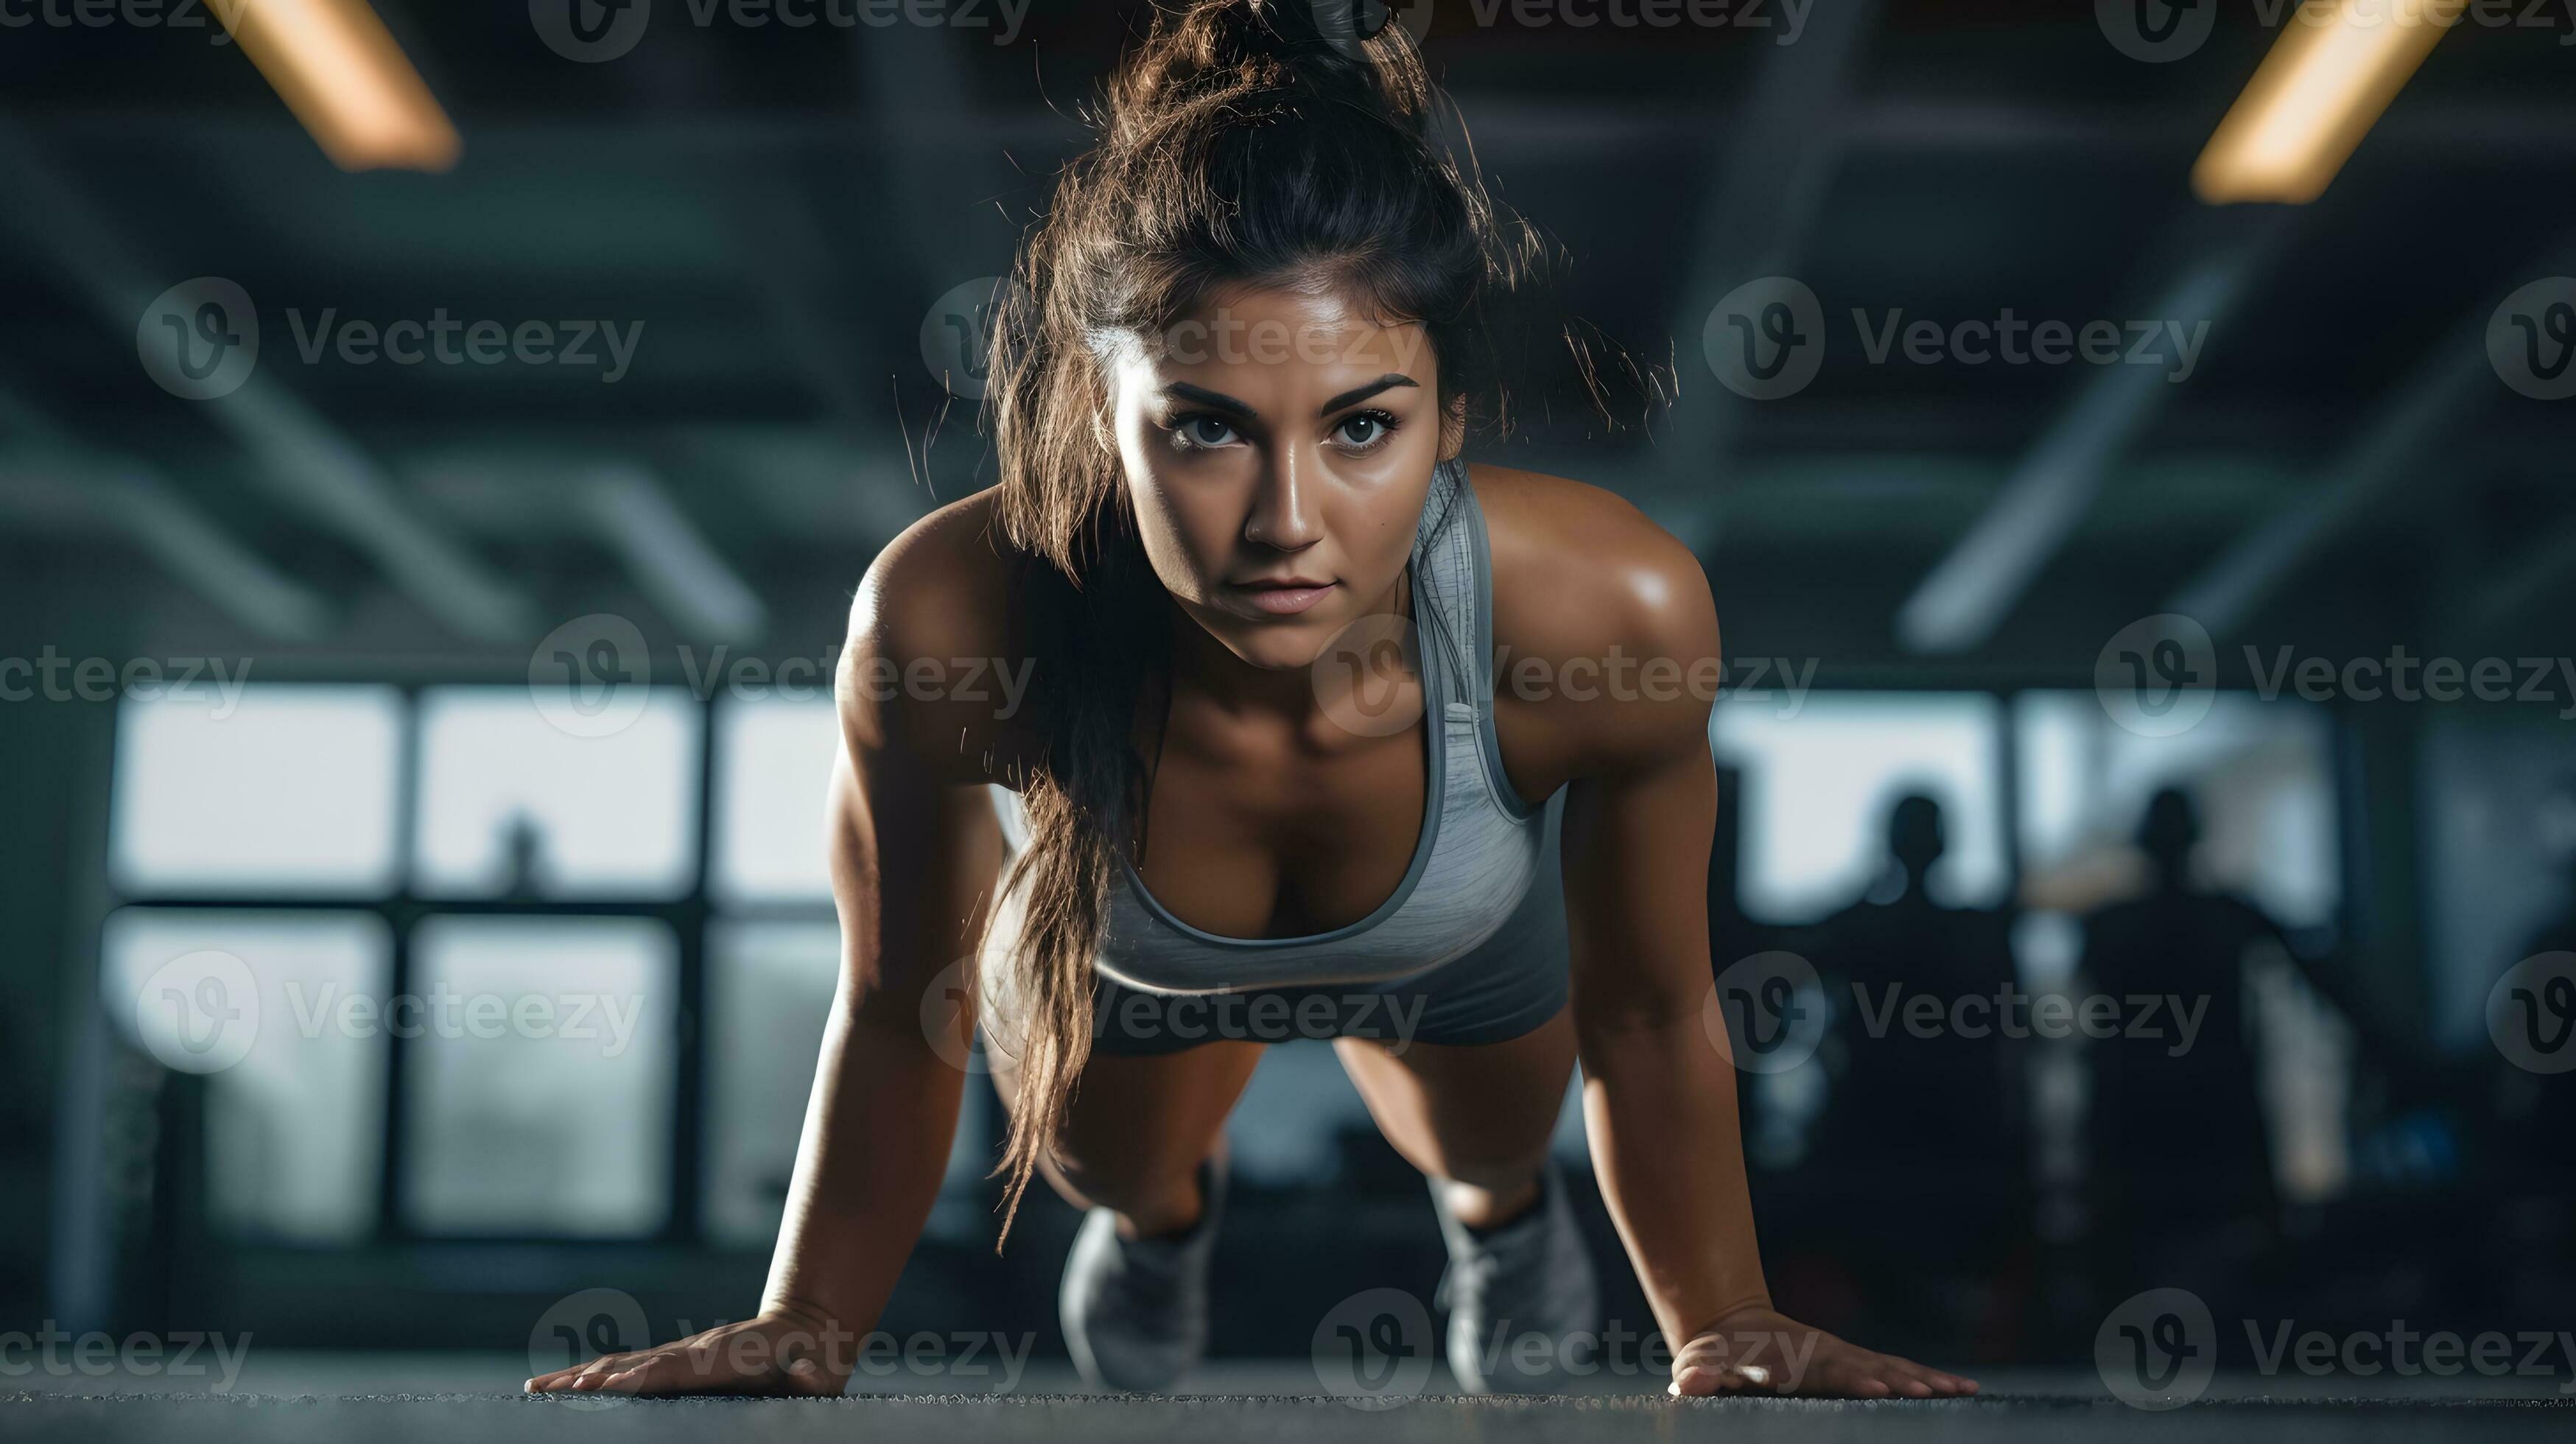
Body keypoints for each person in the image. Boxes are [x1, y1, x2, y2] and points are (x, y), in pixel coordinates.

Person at [527, 0, 1973, 1401]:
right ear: (1104, 417)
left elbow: (1655, 1010)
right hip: (1135, 966)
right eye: (1208, 426)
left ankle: (1495, 1212)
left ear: (1449, 419)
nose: (1288, 520)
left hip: (1454, 946)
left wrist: (1722, 1316)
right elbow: (909, 1000)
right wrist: (808, 1319)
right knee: (1109, 1162)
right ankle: (1164, 1221)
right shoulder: (948, 621)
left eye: (1361, 427)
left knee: (1498, 1125)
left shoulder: (1612, 614)